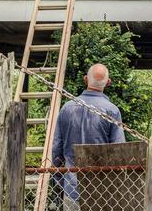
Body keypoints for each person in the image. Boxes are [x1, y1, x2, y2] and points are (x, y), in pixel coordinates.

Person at [51, 63, 125, 208]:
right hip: (103, 188)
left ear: (85, 79)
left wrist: (60, 179)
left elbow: (56, 149)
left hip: (72, 186)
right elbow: (119, 151)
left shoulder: (66, 108)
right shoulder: (112, 111)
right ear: (108, 82)